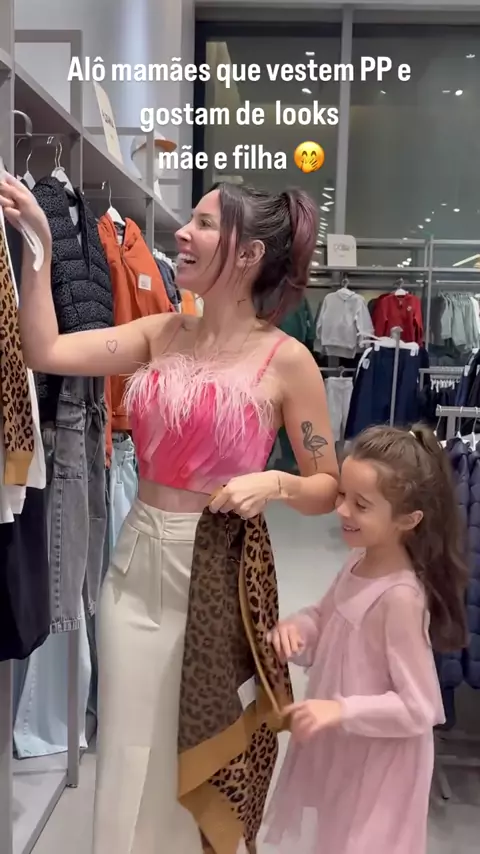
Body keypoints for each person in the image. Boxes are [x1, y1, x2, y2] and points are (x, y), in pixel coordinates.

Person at [0, 175, 339, 854]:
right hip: (135, 565)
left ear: (249, 254)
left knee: (193, 748)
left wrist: (273, 481)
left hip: (216, 572)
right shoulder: (163, 332)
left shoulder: (288, 361)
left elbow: (326, 485)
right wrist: (38, 243)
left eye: (206, 224)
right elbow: (46, 351)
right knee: (126, 751)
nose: (183, 233)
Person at [267, 424, 468, 854]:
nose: (341, 510)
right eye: (342, 495)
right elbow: (325, 618)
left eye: (360, 505)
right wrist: (298, 629)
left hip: (382, 763)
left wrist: (340, 709)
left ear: (408, 520)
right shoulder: (358, 563)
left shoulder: (400, 598)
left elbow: (419, 706)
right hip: (349, 747)